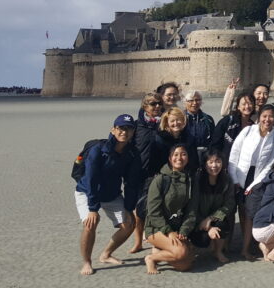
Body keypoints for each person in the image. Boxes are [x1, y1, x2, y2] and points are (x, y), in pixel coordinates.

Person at [75, 114, 140, 275]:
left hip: (111, 194)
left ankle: (106, 254)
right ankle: (87, 262)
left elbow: (131, 183)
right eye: (121, 128)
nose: (124, 132)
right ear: (113, 129)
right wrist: (92, 208)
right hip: (87, 192)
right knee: (91, 223)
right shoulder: (98, 150)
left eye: (129, 129)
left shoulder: (132, 153)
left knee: (129, 224)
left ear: (133, 132)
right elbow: (91, 179)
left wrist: (128, 207)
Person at [228, 104, 274, 259]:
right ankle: (227, 245)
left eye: (271, 116)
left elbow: (270, 164)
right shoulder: (247, 131)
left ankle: (246, 248)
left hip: (257, 178)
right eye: (264, 116)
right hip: (239, 174)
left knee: (250, 213)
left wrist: (254, 184)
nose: (267, 119)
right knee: (233, 210)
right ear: (259, 117)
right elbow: (234, 153)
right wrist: (234, 178)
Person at [143, 143, 196, 274]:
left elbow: (191, 210)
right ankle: (151, 258)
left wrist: (184, 230)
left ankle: (160, 250)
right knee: (181, 252)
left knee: (185, 265)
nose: (179, 158)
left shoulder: (189, 180)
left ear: (188, 158)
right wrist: (168, 231)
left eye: (183, 154)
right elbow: (153, 212)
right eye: (175, 154)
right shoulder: (161, 179)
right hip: (156, 228)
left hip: (176, 227)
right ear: (170, 158)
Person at [130, 92, 163, 253]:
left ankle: (154, 240)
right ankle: (138, 242)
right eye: (152, 104)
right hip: (139, 172)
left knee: (155, 208)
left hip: (158, 173)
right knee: (139, 210)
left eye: (158, 103)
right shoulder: (137, 126)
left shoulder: (164, 124)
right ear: (145, 106)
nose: (157, 106)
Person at [191, 149, 236, 262]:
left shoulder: (226, 180)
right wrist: (204, 223)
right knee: (202, 240)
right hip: (197, 218)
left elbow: (229, 204)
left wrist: (210, 219)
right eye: (210, 162)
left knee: (223, 224)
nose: (214, 165)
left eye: (218, 161)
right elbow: (192, 206)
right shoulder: (197, 179)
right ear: (205, 164)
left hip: (214, 217)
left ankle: (218, 251)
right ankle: (191, 249)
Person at [150, 108, 198, 178]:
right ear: (167, 122)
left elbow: (194, 161)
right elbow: (154, 164)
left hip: (185, 175)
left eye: (179, 120)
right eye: (172, 121)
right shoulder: (158, 139)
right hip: (164, 176)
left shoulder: (189, 138)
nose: (176, 123)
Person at [211, 92, 255, 162]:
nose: (247, 106)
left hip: (242, 165)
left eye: (250, 103)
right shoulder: (227, 121)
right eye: (244, 104)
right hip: (224, 163)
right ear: (238, 107)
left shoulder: (253, 127)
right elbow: (215, 143)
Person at [183, 89, 215, 161]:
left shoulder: (208, 119)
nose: (194, 103)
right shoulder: (180, 119)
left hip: (205, 157)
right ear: (185, 102)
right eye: (191, 100)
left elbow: (213, 139)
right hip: (186, 157)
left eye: (197, 100)